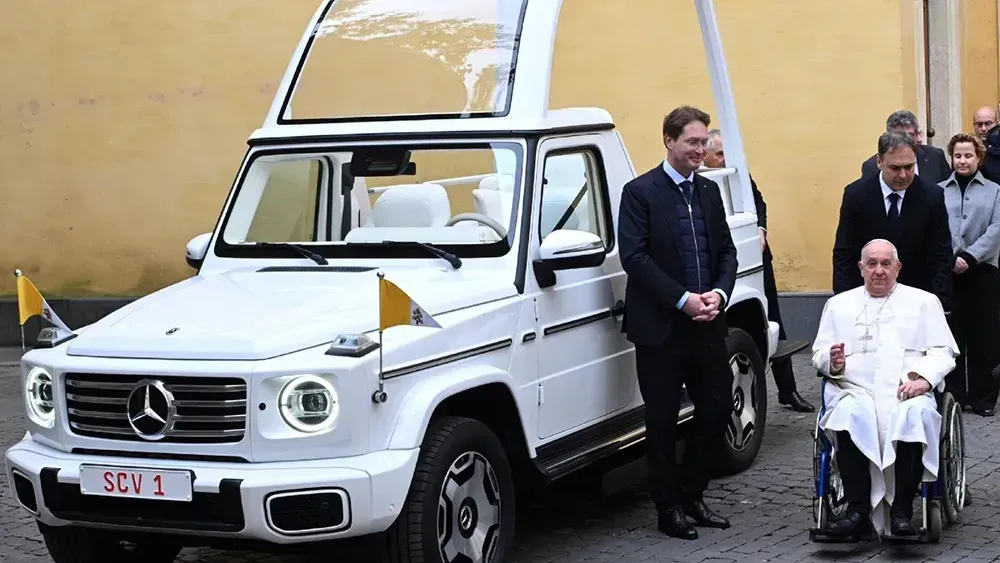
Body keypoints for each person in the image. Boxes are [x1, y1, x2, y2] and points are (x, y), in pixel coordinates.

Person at [618, 106, 737, 540]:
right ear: (669, 140)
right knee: (664, 421)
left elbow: (726, 251)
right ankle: (667, 508)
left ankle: (692, 495)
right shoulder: (640, 192)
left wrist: (719, 295)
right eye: (692, 142)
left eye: (704, 142)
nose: (700, 150)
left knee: (717, 409)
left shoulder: (708, 192)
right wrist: (683, 300)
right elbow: (634, 257)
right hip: (661, 330)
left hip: (708, 324)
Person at [812, 239, 959, 538]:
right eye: (872, 264)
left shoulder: (924, 302)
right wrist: (833, 361)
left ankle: (902, 513)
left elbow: (944, 352)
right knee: (849, 415)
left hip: (905, 391)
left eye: (886, 264)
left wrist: (924, 380)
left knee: (913, 416)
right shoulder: (838, 305)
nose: (879, 271)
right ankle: (857, 512)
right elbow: (819, 354)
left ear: (898, 268)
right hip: (855, 391)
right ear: (861, 268)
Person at [704, 129, 813, 412]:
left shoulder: (739, 175)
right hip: (724, 267)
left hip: (757, 258)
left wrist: (760, 229)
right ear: (704, 155)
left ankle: (788, 389)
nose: (726, 159)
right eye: (719, 154)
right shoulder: (700, 181)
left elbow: (758, 202)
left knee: (775, 319)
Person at [833, 131, 953, 312]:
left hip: (917, 299)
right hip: (867, 299)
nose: (903, 175)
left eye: (909, 167)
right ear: (879, 162)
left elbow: (941, 255)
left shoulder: (931, 196)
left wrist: (938, 304)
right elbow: (844, 253)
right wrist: (846, 302)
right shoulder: (856, 195)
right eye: (895, 168)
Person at [939, 133, 1000, 416]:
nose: (962, 160)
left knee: (983, 337)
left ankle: (983, 398)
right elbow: (937, 229)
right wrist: (952, 258)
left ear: (979, 158)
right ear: (951, 157)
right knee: (952, 335)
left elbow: (996, 229)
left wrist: (971, 256)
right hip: (949, 273)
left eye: (968, 155)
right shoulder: (938, 191)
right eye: (958, 155)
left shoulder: (995, 191)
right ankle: (955, 394)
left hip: (982, 271)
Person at [860, 110, 951, 186]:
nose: (904, 140)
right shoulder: (871, 166)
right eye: (900, 136)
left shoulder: (935, 156)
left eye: (909, 135)